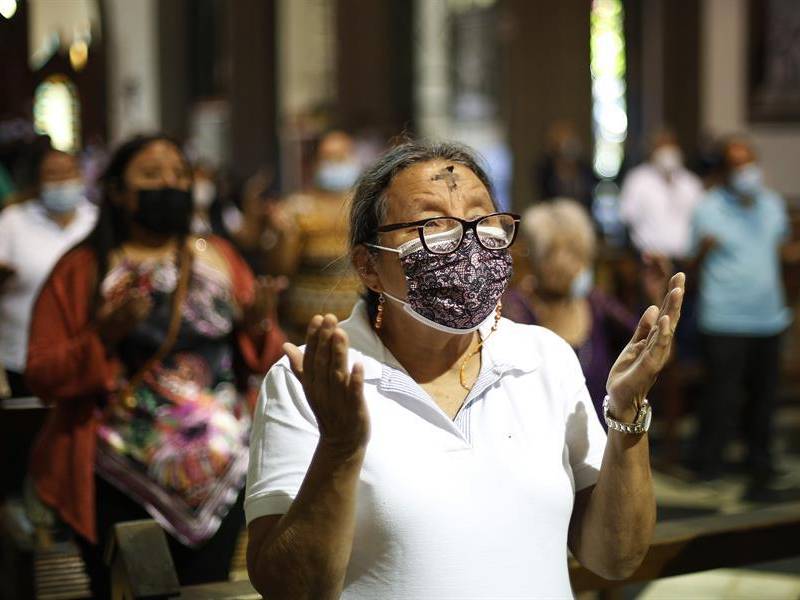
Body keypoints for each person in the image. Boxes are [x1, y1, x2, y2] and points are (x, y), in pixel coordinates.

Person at [245, 141, 686, 598]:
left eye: (483, 219)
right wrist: (339, 447)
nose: (468, 240)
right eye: (433, 224)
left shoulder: (544, 359)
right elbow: (290, 589)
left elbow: (615, 558)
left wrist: (628, 413)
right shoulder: (312, 380)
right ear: (369, 265)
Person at [24, 134, 286, 595]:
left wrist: (259, 326)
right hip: (116, 471)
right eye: (151, 174)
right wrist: (104, 335)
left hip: (218, 472)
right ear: (118, 192)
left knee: (207, 590)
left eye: (178, 174)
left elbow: (265, 359)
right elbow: (44, 374)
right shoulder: (85, 268)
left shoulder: (220, 257)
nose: (169, 182)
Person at [690, 136, 800, 499]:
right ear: (724, 171)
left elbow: (782, 252)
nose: (746, 172)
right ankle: (710, 463)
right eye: (738, 165)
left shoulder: (771, 206)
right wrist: (702, 252)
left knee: (764, 397)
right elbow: (691, 267)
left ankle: (760, 461)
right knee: (721, 396)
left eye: (750, 162)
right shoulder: (708, 208)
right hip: (724, 318)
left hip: (768, 316)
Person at [502, 199, 643, 423]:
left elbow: (649, 348)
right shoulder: (516, 307)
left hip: (600, 439)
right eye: (557, 252)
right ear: (536, 258)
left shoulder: (595, 302)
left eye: (578, 251)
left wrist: (656, 297)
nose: (572, 264)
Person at [0, 145, 97, 397]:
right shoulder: (13, 221)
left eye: (68, 173)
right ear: (38, 179)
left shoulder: (96, 221)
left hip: (83, 357)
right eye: (53, 175)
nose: (62, 182)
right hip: (21, 354)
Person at [262, 130, 364, 341]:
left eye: (341, 157)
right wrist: (284, 234)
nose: (335, 164)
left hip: (359, 327)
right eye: (329, 158)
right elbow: (281, 269)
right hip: (305, 330)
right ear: (316, 162)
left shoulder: (366, 207)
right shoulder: (298, 208)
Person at [619, 129, 703, 261]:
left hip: (683, 259)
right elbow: (628, 218)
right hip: (649, 258)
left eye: (671, 146)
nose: (667, 152)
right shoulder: (637, 180)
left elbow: (700, 220)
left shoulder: (691, 182)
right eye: (662, 146)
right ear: (652, 150)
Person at [535, 119, 597, 210]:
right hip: (553, 214)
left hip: (581, 214)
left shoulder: (585, 168)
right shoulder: (544, 169)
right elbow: (544, 198)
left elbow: (589, 195)